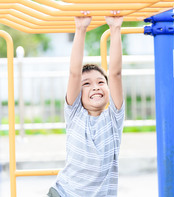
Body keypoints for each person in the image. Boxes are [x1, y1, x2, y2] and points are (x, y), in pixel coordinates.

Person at [47, 11, 125, 197]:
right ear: (78, 93)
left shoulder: (114, 118)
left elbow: (115, 74)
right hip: (64, 193)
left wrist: (115, 29)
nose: (95, 87)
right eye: (87, 84)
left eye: (100, 82)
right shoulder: (74, 114)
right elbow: (74, 73)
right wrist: (81, 29)